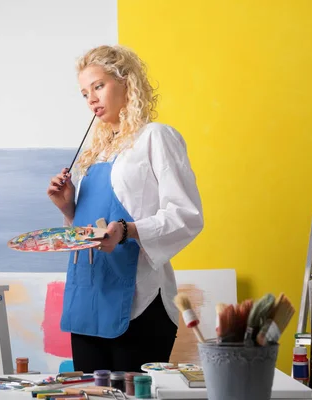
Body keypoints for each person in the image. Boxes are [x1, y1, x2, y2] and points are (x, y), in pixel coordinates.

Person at [47, 44, 204, 373]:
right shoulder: (96, 153)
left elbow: (186, 215)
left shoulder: (155, 138)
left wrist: (128, 230)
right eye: (84, 93)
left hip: (138, 300)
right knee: (90, 397)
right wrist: (67, 208)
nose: (91, 99)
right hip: (88, 297)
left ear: (127, 82)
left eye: (99, 86)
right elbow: (91, 232)